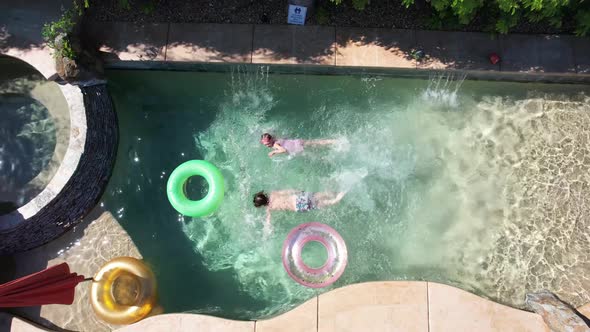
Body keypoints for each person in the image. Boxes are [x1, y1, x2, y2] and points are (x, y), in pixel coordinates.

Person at [253, 190, 346, 226]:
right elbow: (288, 191)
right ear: (264, 194)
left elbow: (268, 221)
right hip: (298, 198)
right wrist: (298, 190)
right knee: (316, 195)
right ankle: (332, 193)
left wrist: (267, 229)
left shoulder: (270, 208)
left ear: (262, 205)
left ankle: (333, 201)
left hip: (298, 206)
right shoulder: (274, 193)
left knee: (318, 204)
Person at [260, 133, 340, 157]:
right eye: (265, 144)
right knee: (316, 143)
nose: (267, 145)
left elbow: (283, 150)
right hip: (297, 141)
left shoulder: (275, 144)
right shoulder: (275, 138)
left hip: (297, 147)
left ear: (271, 140)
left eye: (267, 144)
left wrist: (274, 152)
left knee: (315, 152)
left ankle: (333, 145)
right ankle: (334, 141)